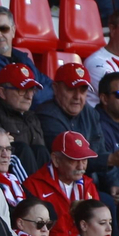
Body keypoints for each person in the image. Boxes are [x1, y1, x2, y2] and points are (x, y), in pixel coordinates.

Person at [36, 63, 119, 200]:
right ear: (56, 89)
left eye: (83, 90)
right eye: (70, 89)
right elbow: (69, 159)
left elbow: (100, 151)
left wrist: (114, 183)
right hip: (61, 188)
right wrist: (111, 159)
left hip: (89, 183)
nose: (77, 96)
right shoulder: (47, 115)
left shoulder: (90, 113)